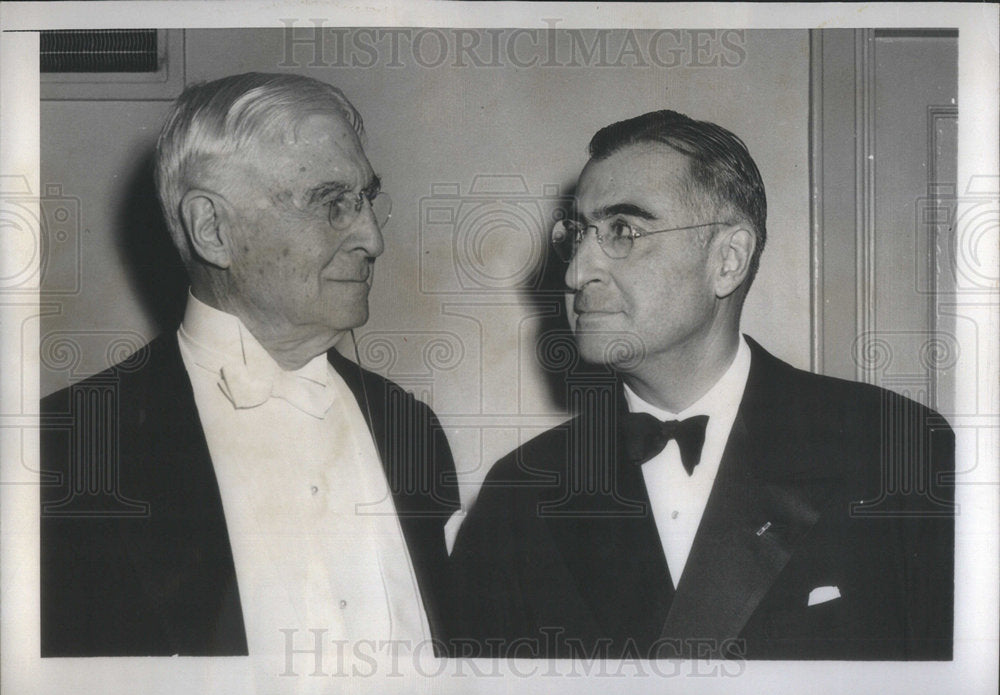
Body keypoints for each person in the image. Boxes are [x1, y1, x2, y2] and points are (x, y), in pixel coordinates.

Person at [451, 110, 954, 660]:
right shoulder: (520, 492)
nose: (575, 273)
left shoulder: (896, 447)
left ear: (728, 260)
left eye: (623, 231)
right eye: (576, 236)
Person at [40, 73, 458, 657]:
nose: (372, 238)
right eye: (331, 203)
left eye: (365, 199)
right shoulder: (62, 450)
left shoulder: (410, 427)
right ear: (212, 230)